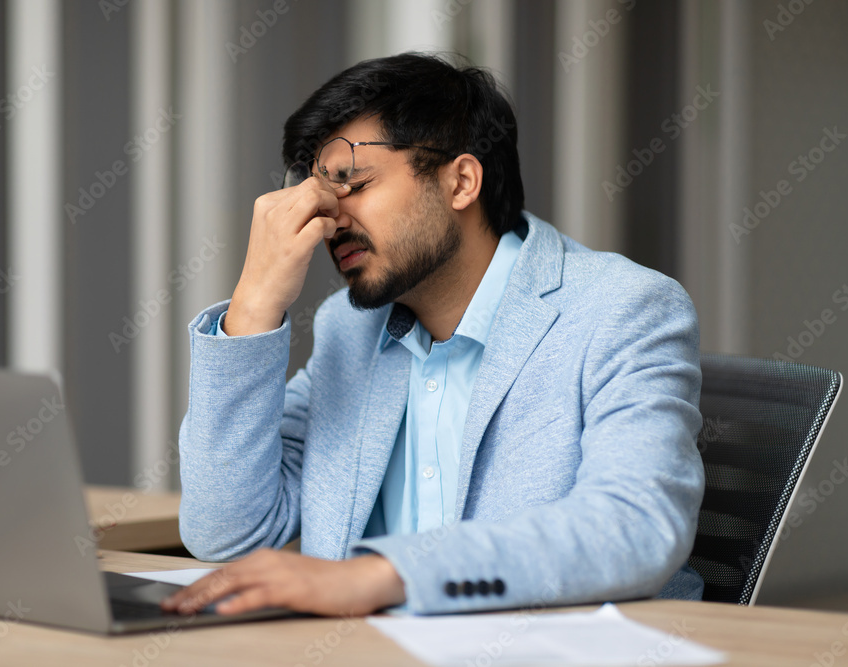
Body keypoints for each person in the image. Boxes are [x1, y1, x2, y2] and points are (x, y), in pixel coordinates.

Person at [161, 53, 705, 618]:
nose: (329, 220)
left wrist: (384, 576)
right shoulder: (348, 327)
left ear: (461, 182)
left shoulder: (623, 308)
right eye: (320, 196)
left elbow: (635, 526)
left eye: (353, 183)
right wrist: (253, 305)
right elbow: (225, 532)